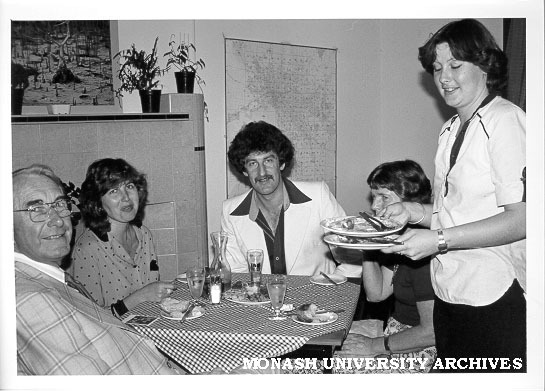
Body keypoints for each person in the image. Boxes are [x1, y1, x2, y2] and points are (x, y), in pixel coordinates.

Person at [380, 19, 526, 372]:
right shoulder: (450, 128)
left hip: (494, 297)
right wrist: (414, 210)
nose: (444, 77)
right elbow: (456, 212)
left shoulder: (506, 120)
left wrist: (438, 240)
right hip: (449, 292)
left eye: (455, 65)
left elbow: (524, 218)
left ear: (484, 65)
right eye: (437, 68)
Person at [13, 164, 180, 375]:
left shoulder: (143, 234)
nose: (56, 219)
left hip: (152, 345)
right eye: (36, 209)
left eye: (59, 204)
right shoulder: (33, 298)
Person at [335, 160, 436, 374]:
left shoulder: (424, 255)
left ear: (410, 203)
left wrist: (373, 346)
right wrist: (367, 245)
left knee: (335, 370)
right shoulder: (398, 239)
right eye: (374, 196)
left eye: (384, 197)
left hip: (420, 346)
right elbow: (376, 294)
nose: (374, 206)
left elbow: (431, 332)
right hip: (396, 334)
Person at [221, 121, 356, 276]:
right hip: (263, 298)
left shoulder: (318, 196)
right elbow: (237, 272)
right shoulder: (230, 211)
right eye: (253, 163)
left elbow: (351, 256)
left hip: (319, 295)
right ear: (244, 171)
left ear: (282, 163)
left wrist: (329, 289)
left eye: (268, 160)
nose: (262, 172)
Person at [71, 158, 174, 316]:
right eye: (113, 191)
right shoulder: (87, 249)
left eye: (129, 186)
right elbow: (90, 317)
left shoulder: (144, 234)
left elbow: (153, 295)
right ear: (97, 202)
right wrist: (140, 297)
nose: (126, 197)